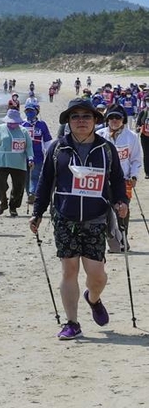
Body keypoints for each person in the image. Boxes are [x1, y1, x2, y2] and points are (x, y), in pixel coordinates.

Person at [30, 99, 129, 340]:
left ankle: (93, 299)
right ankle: (72, 322)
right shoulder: (57, 148)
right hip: (65, 218)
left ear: (96, 121)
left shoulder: (106, 149)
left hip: (96, 218)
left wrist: (121, 201)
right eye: (75, 116)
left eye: (86, 116)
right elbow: (44, 183)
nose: (81, 121)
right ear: (68, 121)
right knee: (69, 270)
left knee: (97, 275)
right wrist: (38, 212)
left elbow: (116, 180)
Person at [96, 105, 142, 252]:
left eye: (118, 117)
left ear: (123, 119)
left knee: (122, 210)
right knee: (104, 211)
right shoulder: (99, 135)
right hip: (101, 180)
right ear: (107, 119)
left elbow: (136, 159)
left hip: (123, 180)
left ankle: (123, 239)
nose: (114, 120)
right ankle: (111, 241)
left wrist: (134, 175)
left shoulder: (132, 137)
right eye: (111, 117)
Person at [0, 109, 34, 217]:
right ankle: (3, 202)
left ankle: (13, 206)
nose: (12, 124)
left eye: (14, 122)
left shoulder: (23, 131)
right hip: (3, 161)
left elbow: (28, 146)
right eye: (10, 122)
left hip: (19, 163)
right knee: (0, 184)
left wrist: (30, 158)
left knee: (18, 187)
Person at [22, 102, 52, 206]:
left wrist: (49, 153)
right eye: (27, 111)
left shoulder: (42, 125)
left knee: (35, 175)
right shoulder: (22, 124)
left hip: (38, 154)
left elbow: (47, 140)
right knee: (25, 177)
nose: (29, 113)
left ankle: (32, 193)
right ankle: (29, 194)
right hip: (23, 155)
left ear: (37, 112)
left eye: (31, 111)